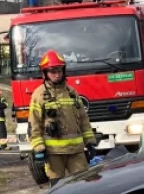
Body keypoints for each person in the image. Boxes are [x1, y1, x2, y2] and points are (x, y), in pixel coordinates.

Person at [29, 50, 96, 186]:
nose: (57, 74)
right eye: (53, 71)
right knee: (58, 187)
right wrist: (38, 148)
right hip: (54, 153)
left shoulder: (71, 92)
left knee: (82, 184)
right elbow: (34, 124)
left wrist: (90, 141)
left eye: (59, 71)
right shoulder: (39, 94)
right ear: (45, 73)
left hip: (76, 150)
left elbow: (83, 119)